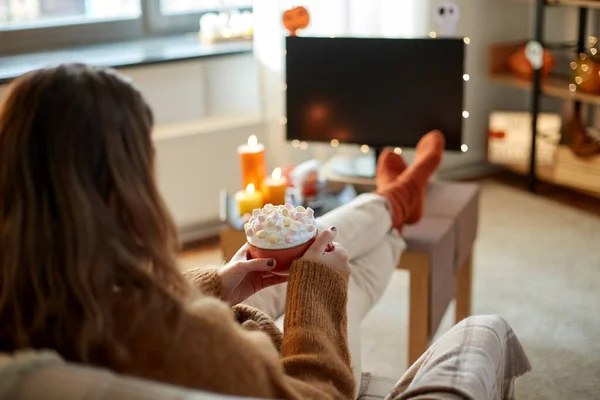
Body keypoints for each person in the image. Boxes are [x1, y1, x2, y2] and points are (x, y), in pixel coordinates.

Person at [0, 64, 530, 400]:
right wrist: (317, 292)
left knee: (331, 254)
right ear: (121, 191)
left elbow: (116, 307)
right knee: (346, 276)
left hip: (243, 330)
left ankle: (394, 204)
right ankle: (399, 200)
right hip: (300, 370)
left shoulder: (31, 304)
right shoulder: (182, 343)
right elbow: (317, 392)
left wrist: (214, 284)